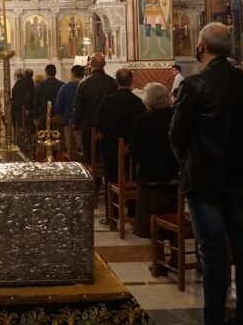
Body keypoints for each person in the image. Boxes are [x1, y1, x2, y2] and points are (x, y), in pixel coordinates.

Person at [169, 22, 243, 325]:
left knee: (212, 249)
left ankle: (215, 318)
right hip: (240, 176)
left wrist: (188, 161)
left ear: (202, 46)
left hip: (204, 178)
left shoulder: (195, 85)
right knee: (242, 245)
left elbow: (177, 134)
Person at [96, 68, 147, 228]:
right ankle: (132, 213)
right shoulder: (138, 103)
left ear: (116, 82)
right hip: (133, 147)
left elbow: (100, 126)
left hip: (111, 147)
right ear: (131, 81)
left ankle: (112, 216)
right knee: (132, 178)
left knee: (111, 178)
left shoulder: (107, 102)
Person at [128, 82, 180, 238]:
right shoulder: (176, 117)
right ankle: (171, 236)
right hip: (174, 174)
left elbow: (135, 151)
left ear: (148, 100)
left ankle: (150, 235)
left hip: (151, 175)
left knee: (149, 213)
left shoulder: (142, 120)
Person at [74, 53, 117, 160]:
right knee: (107, 158)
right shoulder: (112, 82)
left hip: (88, 126)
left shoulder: (84, 84)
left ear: (90, 64)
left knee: (89, 158)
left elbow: (78, 106)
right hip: (108, 127)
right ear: (104, 64)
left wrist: (77, 125)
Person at [55, 64, 85, 154]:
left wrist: (63, 115)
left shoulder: (65, 88)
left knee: (71, 147)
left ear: (72, 74)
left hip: (69, 121)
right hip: (84, 123)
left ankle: (71, 153)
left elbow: (58, 106)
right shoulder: (88, 86)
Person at [33, 64, 65, 130]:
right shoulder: (62, 85)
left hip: (44, 118)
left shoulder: (41, 85)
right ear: (55, 73)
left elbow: (37, 102)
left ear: (46, 73)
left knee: (44, 133)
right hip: (58, 118)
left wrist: (36, 116)